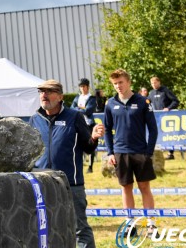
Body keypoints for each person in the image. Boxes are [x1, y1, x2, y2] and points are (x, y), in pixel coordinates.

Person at [30, 79, 104, 248]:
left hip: (71, 184)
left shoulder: (74, 117)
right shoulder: (34, 119)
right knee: (46, 233)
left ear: (60, 96)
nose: (44, 95)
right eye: (41, 92)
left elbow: (88, 148)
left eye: (49, 92)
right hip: (43, 185)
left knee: (80, 230)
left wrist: (95, 137)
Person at [104, 69, 158, 227]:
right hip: (120, 153)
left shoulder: (143, 102)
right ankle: (130, 223)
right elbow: (107, 129)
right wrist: (110, 152)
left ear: (128, 82)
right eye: (115, 84)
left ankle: (151, 222)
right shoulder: (110, 104)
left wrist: (149, 152)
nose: (118, 86)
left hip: (141, 151)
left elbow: (153, 129)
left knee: (144, 187)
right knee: (126, 187)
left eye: (120, 82)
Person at [149, 76, 179, 160]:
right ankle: (157, 151)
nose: (154, 85)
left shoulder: (165, 91)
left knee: (168, 135)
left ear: (159, 82)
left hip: (167, 117)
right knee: (157, 134)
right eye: (152, 83)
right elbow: (147, 102)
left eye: (155, 83)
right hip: (156, 118)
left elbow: (176, 101)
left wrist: (168, 108)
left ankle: (171, 153)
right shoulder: (151, 93)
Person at [71, 78, 98, 173]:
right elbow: (71, 108)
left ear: (88, 87)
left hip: (89, 124)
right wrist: (81, 108)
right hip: (78, 124)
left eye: (84, 86)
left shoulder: (92, 98)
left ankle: (91, 166)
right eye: (81, 86)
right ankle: (80, 164)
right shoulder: (77, 97)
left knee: (90, 145)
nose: (82, 88)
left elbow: (88, 111)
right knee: (78, 145)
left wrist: (78, 108)